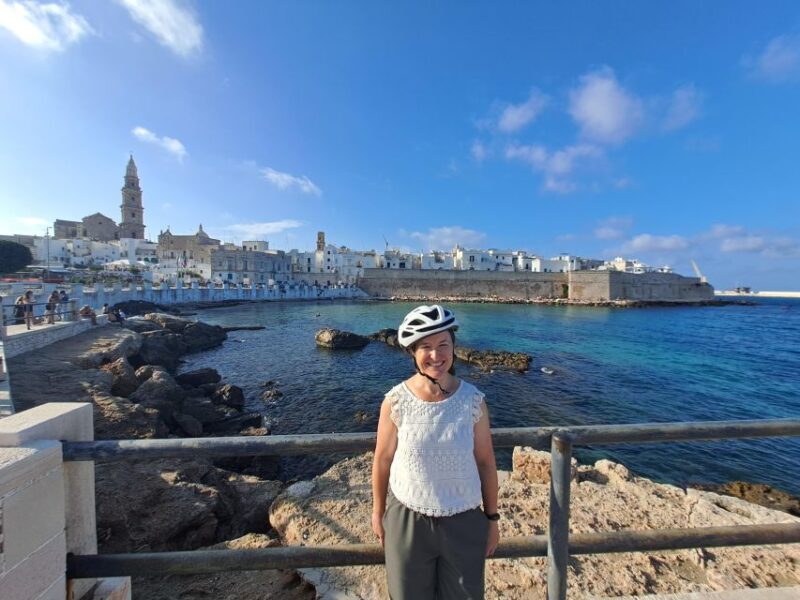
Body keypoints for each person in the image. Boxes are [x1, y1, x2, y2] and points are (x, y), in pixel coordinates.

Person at [372, 305, 499, 599]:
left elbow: (485, 462)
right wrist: (378, 512)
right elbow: (382, 459)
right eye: (426, 347)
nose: (436, 355)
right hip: (407, 518)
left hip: (464, 518)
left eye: (443, 345)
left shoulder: (473, 401)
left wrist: (491, 521)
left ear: (454, 347)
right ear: (413, 354)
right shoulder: (395, 401)